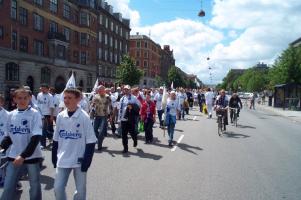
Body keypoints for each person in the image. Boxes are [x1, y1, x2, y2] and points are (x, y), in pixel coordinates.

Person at [52, 88, 97, 200]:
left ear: (78, 99)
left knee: (80, 190)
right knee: (58, 188)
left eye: (70, 98)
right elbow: (56, 139)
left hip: (79, 160)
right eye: (65, 97)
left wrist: (87, 160)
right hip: (63, 158)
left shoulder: (84, 117)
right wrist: (54, 156)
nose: (66, 100)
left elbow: (91, 141)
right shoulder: (60, 116)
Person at [0, 87, 43, 200]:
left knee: (34, 185)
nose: (22, 100)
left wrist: (23, 155)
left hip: (32, 156)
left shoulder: (35, 114)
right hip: (14, 156)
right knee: (8, 185)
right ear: (14, 99)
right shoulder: (11, 115)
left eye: (25, 98)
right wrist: (1, 147)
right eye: (19, 98)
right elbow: (8, 137)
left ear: (29, 98)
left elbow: (36, 138)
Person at [118, 85, 140, 153]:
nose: (126, 90)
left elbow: (139, 106)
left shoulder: (134, 98)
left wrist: (132, 107)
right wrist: (119, 119)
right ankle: (125, 148)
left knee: (132, 132)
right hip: (123, 119)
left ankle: (135, 140)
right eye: (125, 89)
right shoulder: (122, 98)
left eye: (127, 89)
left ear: (130, 90)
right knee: (124, 134)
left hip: (131, 118)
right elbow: (120, 109)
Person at [90, 85, 112, 150]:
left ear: (104, 90)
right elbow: (92, 104)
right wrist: (91, 110)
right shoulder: (96, 96)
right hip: (96, 115)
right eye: (98, 90)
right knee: (94, 130)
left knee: (101, 131)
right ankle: (100, 138)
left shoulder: (107, 97)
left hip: (104, 116)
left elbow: (110, 107)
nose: (99, 91)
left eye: (100, 90)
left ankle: (99, 145)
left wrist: (111, 116)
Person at [37, 83, 54, 149]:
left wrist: (51, 116)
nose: (42, 90)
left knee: (43, 130)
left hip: (46, 114)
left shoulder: (50, 96)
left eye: (44, 88)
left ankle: (43, 144)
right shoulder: (39, 95)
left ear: (47, 89)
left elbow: (51, 106)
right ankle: (50, 137)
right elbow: (38, 104)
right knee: (42, 129)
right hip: (39, 114)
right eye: (41, 88)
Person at [0, 94, 9, 187]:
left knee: (4, 162)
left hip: (3, 143)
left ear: (2, 103)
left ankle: (9, 180)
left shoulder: (7, 115)